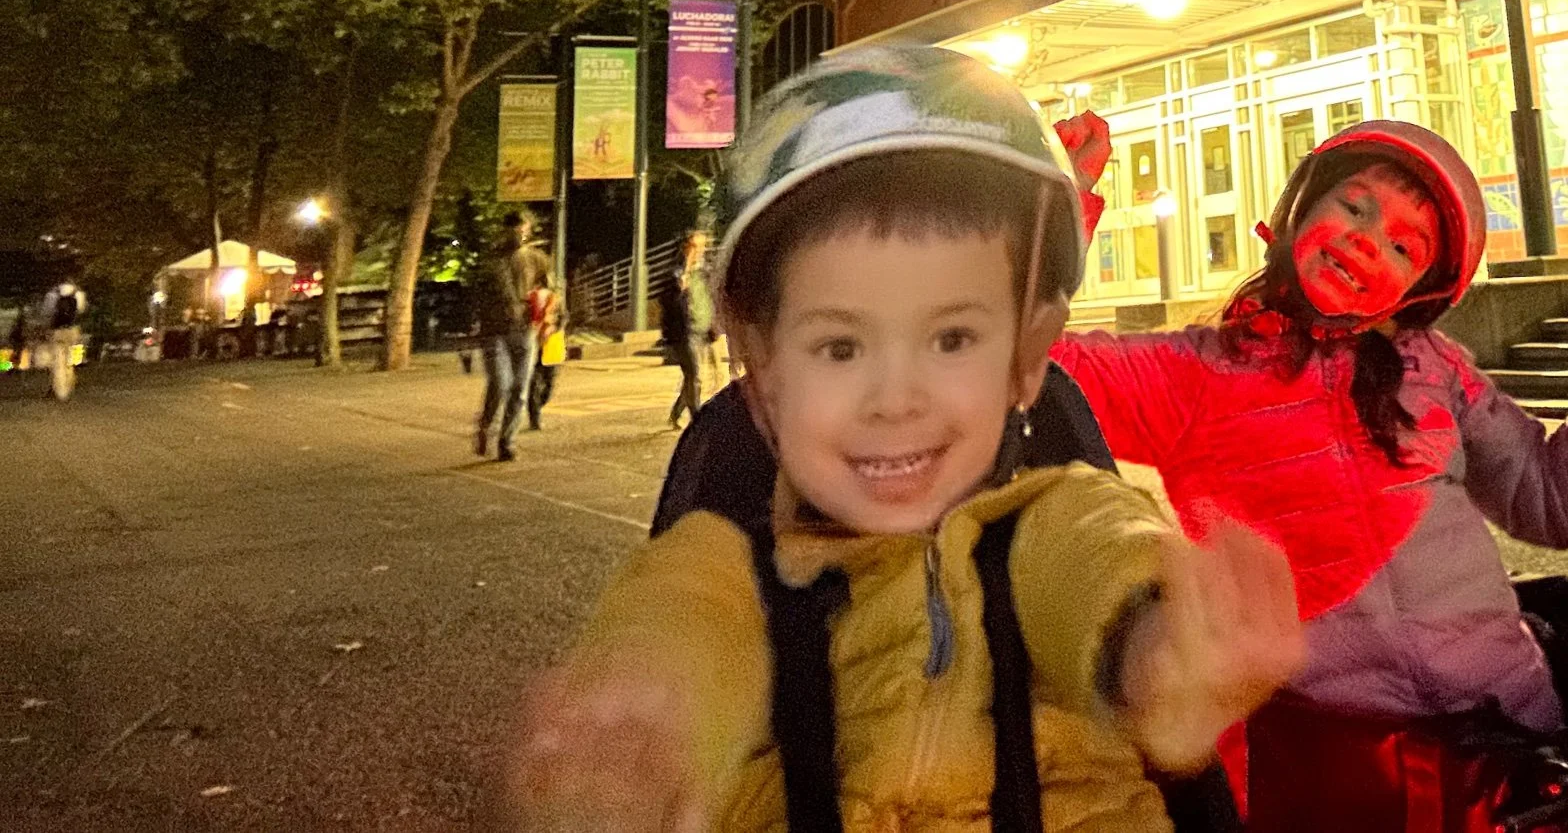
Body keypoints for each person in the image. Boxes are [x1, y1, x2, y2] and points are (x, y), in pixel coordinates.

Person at [497, 44, 1303, 833]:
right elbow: (682, 627)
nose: (895, 399)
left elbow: (1104, 559)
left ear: (1026, 357)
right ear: (760, 365)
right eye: (840, 347)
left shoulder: (1056, 513)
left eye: (952, 339)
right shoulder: (723, 560)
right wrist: (643, 738)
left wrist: (1157, 648)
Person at [1048, 118, 1568, 830]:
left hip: (1513, 741)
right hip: (1334, 772)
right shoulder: (1192, 373)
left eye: (1402, 244)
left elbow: (1553, 500)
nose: (1365, 237)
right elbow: (1028, 365)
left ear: (1418, 289)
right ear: (1298, 207)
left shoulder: (1438, 369)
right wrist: (1056, 201)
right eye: (1352, 206)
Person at [475, 212, 550, 461]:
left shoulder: (536, 258)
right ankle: (486, 425)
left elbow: (551, 288)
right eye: (515, 230)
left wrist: (548, 312)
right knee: (500, 382)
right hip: (495, 329)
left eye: (523, 229)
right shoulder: (492, 261)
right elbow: (477, 294)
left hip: (524, 329)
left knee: (519, 389)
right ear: (506, 230)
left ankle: (507, 441)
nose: (520, 234)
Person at [658, 231, 716, 431]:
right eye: (695, 246)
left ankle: (676, 413)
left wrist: (712, 326)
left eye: (702, 247)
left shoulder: (705, 272)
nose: (700, 251)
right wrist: (685, 273)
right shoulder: (674, 272)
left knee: (691, 377)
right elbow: (668, 299)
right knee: (694, 375)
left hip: (701, 328)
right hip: (683, 331)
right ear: (685, 248)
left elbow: (709, 299)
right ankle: (697, 421)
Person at [37, 276, 85, 401]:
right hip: (73, 331)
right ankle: (70, 385)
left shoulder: (52, 294)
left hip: (57, 331)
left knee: (58, 361)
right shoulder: (79, 293)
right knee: (71, 361)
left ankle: (59, 390)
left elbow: (46, 313)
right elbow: (81, 311)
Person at [526, 284, 564, 429]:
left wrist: (554, 327)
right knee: (533, 385)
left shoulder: (554, 300)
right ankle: (534, 418)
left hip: (550, 347)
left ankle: (538, 405)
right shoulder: (528, 300)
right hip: (533, 347)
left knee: (549, 385)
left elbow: (563, 317)